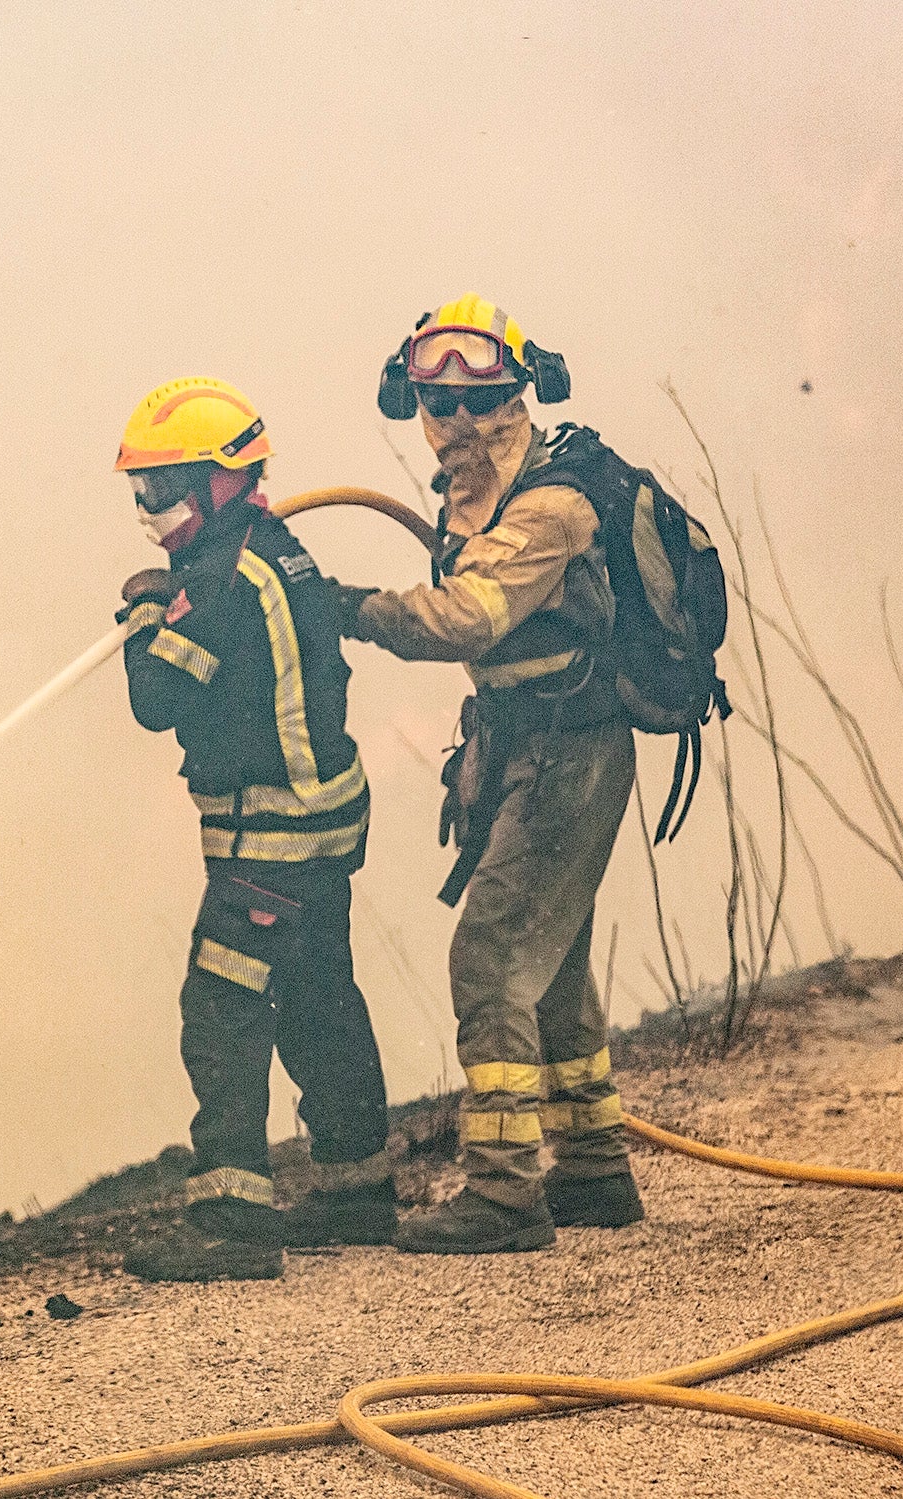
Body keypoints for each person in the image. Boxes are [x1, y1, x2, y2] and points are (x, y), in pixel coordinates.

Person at [332, 296, 645, 1254]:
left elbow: (467, 618)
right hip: (528, 743)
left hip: (569, 751)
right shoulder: (478, 496)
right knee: (552, 966)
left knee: (491, 955)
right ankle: (594, 1169)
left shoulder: (551, 505)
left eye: (482, 395)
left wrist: (344, 608)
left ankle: (505, 1193)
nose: (460, 416)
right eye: (438, 398)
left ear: (520, 392)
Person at [110, 376, 396, 1283]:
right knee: (318, 998)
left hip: (267, 838)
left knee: (222, 1007)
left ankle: (232, 1220)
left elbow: (157, 697)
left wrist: (141, 610)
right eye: (140, 487)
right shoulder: (280, 555)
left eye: (161, 484)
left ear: (221, 476)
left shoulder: (219, 579)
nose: (149, 504)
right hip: (322, 831)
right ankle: (358, 1187)